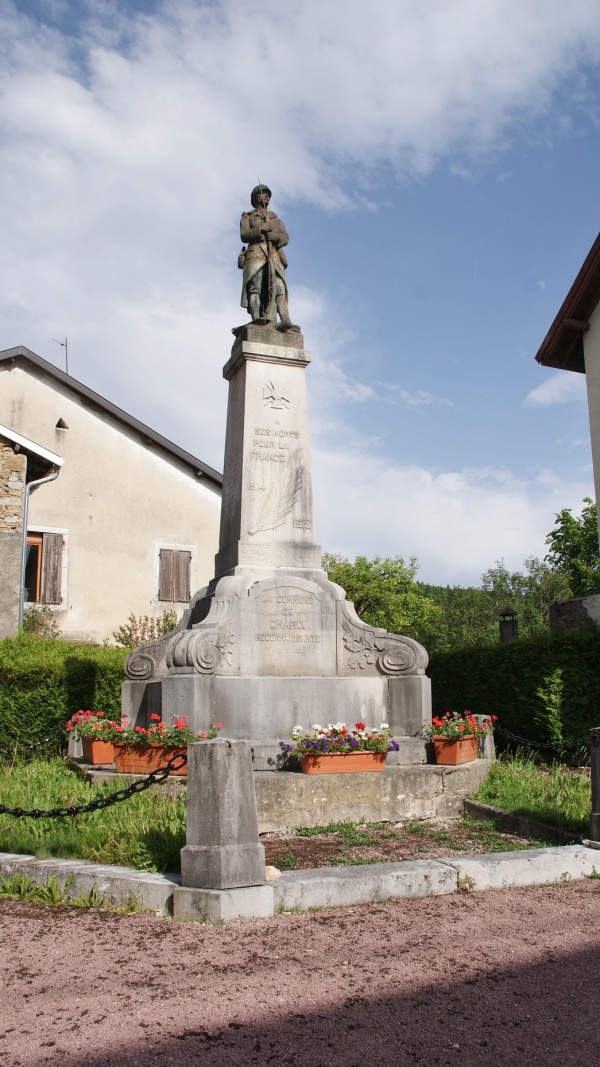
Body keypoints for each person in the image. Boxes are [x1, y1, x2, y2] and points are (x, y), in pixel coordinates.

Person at [239, 185, 299, 330]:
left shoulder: (275, 219)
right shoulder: (248, 216)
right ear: (255, 198)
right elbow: (244, 235)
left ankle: (285, 320)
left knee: (279, 287)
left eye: (268, 194)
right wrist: (260, 229)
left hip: (274, 255)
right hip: (256, 254)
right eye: (263, 194)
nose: (266, 196)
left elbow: (285, 237)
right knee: (255, 287)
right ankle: (256, 319)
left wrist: (277, 237)